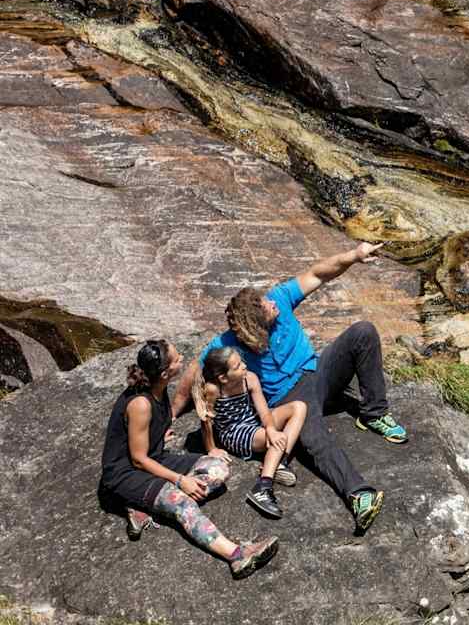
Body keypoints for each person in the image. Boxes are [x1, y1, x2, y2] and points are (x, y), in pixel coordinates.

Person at [173, 242, 407, 535]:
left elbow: (319, 274)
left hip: (318, 372)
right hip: (289, 396)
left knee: (363, 331)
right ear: (256, 328)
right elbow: (195, 371)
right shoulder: (228, 344)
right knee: (318, 437)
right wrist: (170, 414)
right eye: (265, 307)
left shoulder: (280, 299)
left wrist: (354, 255)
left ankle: (373, 413)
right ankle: (359, 494)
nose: (271, 303)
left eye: (266, 301)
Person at [99, 340, 278, 580]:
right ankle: (236, 555)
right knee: (182, 503)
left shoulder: (158, 389)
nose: (182, 358)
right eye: (176, 359)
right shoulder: (140, 403)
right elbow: (138, 459)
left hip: (154, 458)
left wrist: (158, 431)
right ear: (165, 373)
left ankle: (152, 501)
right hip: (126, 473)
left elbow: (145, 437)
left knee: (217, 468)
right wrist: (180, 481)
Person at [193, 347, 307, 519]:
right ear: (223, 377)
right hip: (234, 433)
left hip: (254, 422)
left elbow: (264, 411)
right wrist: (211, 448)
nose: (244, 366)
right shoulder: (213, 389)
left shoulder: (250, 379)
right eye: (238, 366)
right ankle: (263, 486)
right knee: (280, 438)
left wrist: (270, 429)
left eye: (242, 362)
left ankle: (279, 462)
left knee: (299, 406)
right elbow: (206, 420)